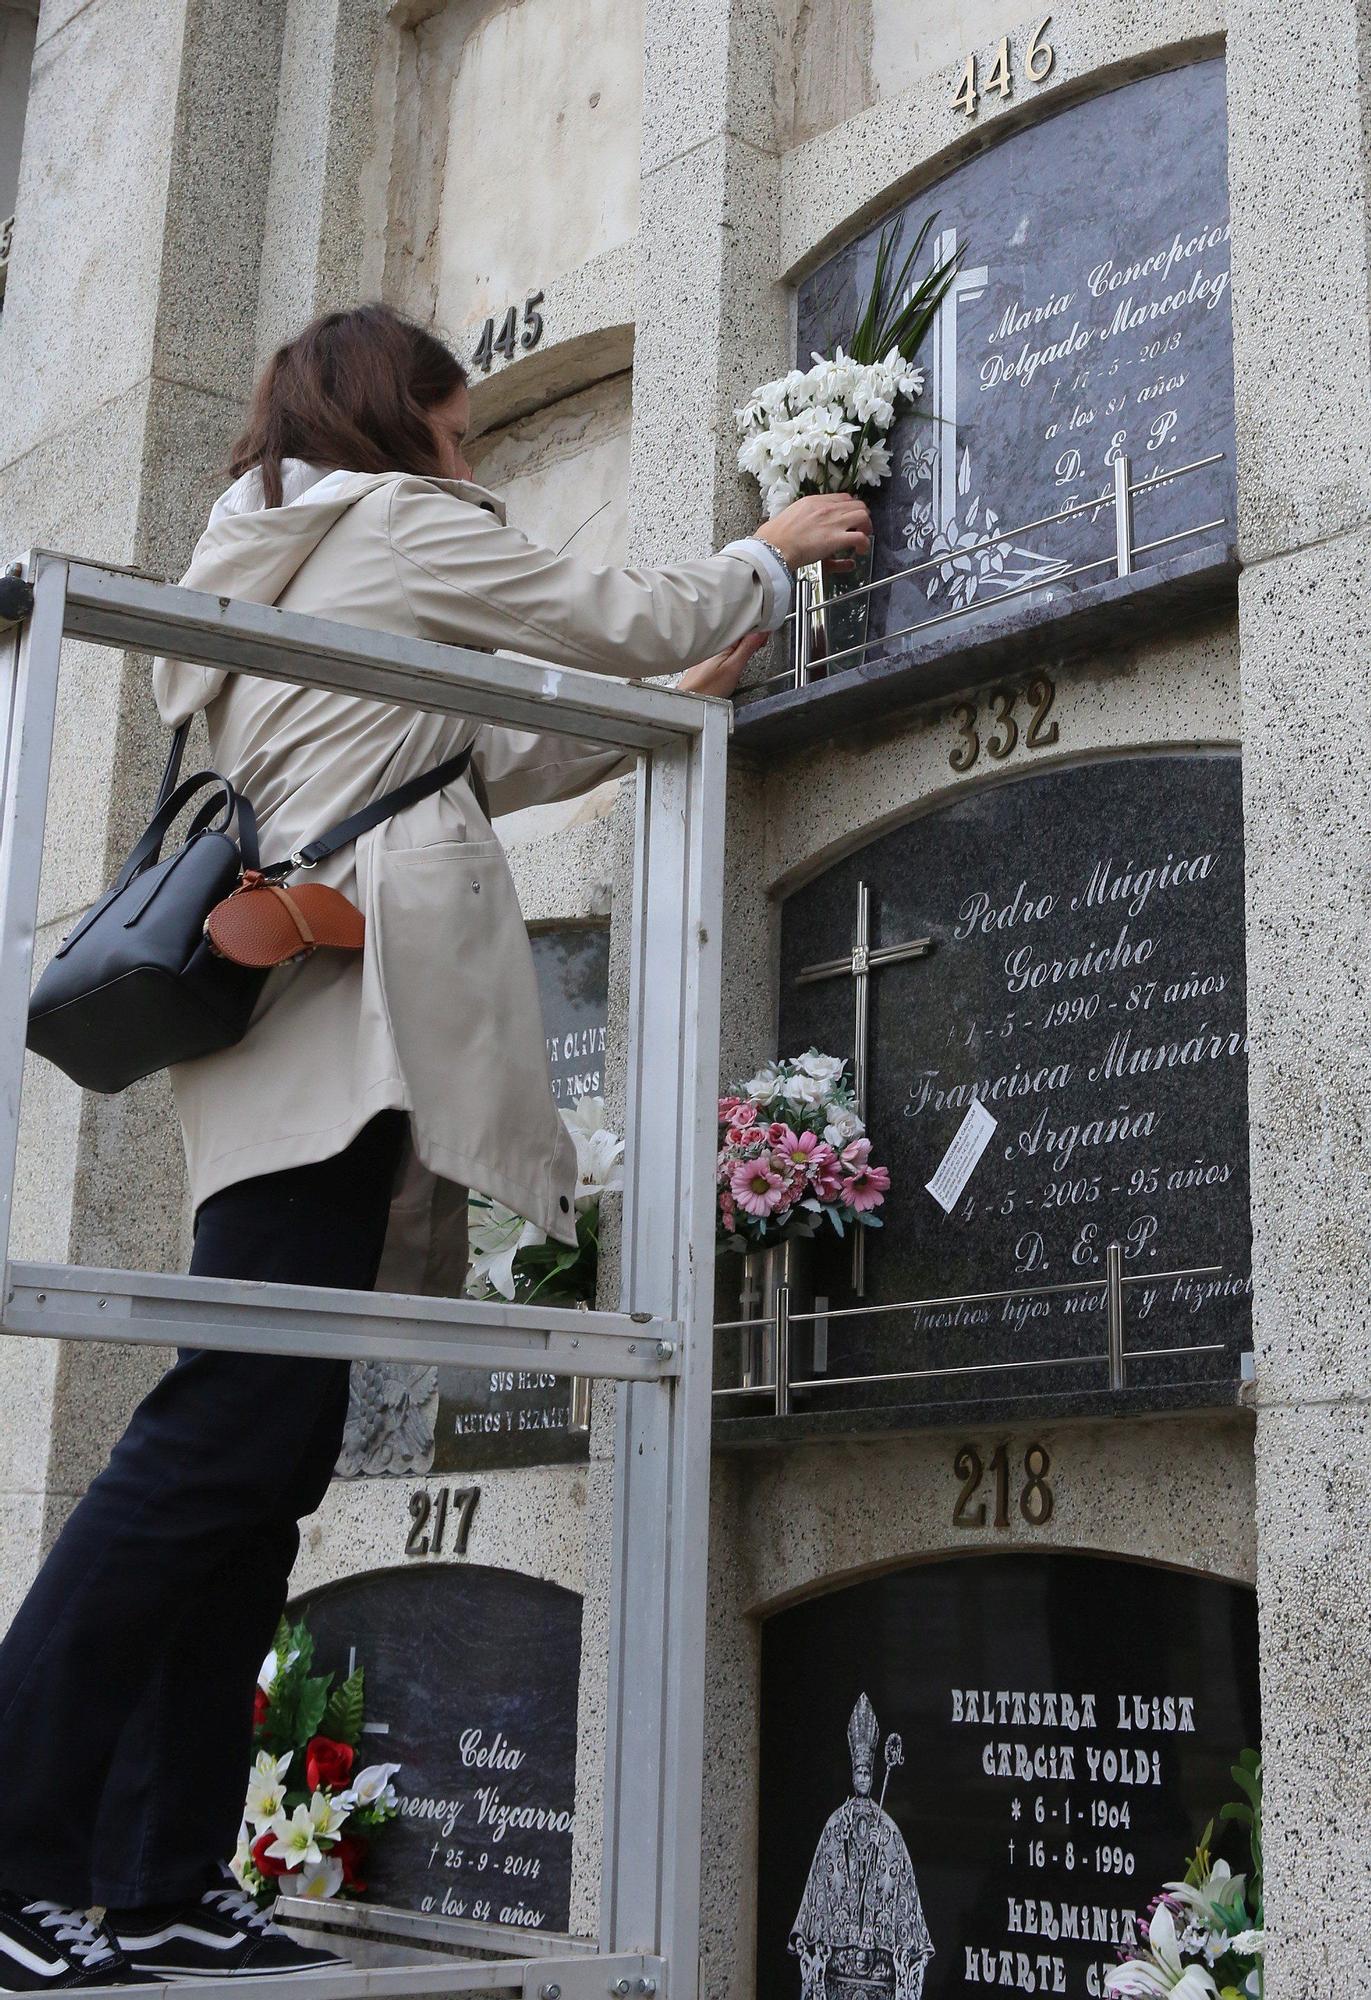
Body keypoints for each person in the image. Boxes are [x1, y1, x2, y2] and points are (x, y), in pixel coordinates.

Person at [0, 303, 870, 1987]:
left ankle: (159, 1873)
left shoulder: (281, 563)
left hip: (289, 1055)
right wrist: (768, 554)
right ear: (395, 421)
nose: (468, 454)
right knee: (211, 1452)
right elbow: (609, 613)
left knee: (253, 1473)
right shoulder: (393, 526)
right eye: (457, 427)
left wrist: (674, 706)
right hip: (339, 1038)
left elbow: (456, 754)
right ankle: (21, 1846)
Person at [790, 1696, 934, 2000]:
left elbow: (899, 1881)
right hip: (838, 1967)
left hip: (879, 1969)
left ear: (874, 1774)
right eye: (859, 1772)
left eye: (868, 1773)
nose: (864, 1778)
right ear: (852, 1774)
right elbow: (822, 1880)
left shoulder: (888, 1829)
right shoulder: (834, 1825)